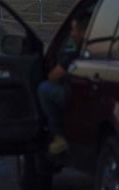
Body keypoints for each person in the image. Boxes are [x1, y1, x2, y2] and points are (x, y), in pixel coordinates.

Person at [38, 12, 89, 155]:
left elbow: (54, 76)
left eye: (74, 30)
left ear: (84, 31)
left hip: (80, 95)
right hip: (89, 93)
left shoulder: (76, 52)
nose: (72, 34)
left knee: (45, 89)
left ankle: (59, 136)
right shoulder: (92, 49)